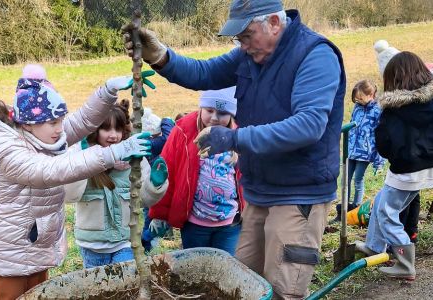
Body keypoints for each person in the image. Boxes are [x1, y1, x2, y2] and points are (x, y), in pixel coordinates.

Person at [124, 0, 345, 297]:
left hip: (299, 194)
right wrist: (161, 57)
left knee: (283, 289)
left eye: (246, 35)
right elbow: (203, 73)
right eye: (238, 38)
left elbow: (308, 125)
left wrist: (234, 139)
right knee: (241, 284)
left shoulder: (315, 56)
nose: (241, 45)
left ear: (274, 23)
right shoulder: (250, 55)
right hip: (259, 191)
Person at [0, 64, 153, 299]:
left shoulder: (44, 136)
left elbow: (81, 121)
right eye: (54, 123)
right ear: (28, 123)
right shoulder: (9, 151)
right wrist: (113, 153)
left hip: (35, 243)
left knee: (37, 295)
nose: (61, 129)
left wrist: (107, 91)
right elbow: (53, 170)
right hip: (11, 250)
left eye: (61, 120)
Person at [355, 51, 433, 281]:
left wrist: (397, 155)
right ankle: (374, 246)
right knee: (383, 200)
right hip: (432, 165)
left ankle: (405, 261)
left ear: (395, 79)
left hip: (406, 170)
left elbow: (384, 143)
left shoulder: (395, 108)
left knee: (385, 212)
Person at [64, 100, 169, 268]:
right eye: (106, 128)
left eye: (118, 129)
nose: (113, 135)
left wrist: (155, 185)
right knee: (97, 290)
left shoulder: (134, 159)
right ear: (95, 130)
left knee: (124, 286)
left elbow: (143, 200)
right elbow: (70, 195)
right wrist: (83, 161)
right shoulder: (82, 156)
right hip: (92, 246)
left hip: (125, 242)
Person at [148, 87, 244, 255]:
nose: (214, 118)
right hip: (195, 223)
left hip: (230, 224)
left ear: (231, 114)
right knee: (195, 270)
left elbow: (249, 176)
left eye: (222, 113)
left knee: (225, 269)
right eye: (209, 110)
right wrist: (159, 213)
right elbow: (167, 170)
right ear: (201, 108)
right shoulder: (184, 131)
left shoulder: (239, 135)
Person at [331, 79, 384, 223]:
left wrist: (379, 161)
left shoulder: (378, 110)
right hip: (351, 149)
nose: (358, 100)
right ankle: (343, 210)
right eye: (356, 98)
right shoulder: (357, 107)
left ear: (371, 94)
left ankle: (355, 209)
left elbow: (381, 134)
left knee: (358, 179)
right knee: (345, 179)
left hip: (365, 153)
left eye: (361, 98)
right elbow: (352, 124)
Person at [139, 107, 176, 252]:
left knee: (152, 220)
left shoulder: (147, 142)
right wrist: (166, 120)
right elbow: (168, 137)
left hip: (153, 190)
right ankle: (146, 241)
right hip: (155, 191)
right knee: (156, 221)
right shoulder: (155, 144)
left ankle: (146, 242)